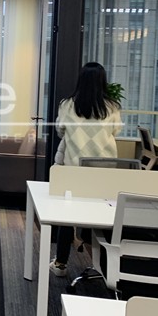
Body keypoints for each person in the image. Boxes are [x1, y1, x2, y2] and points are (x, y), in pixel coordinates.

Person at [49, 62, 123, 277]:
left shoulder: (67, 105)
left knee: (67, 217)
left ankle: (61, 264)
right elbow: (116, 131)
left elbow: (61, 131)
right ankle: (109, 268)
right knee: (105, 218)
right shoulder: (112, 107)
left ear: (80, 80)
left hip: (75, 170)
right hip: (104, 172)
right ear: (103, 81)